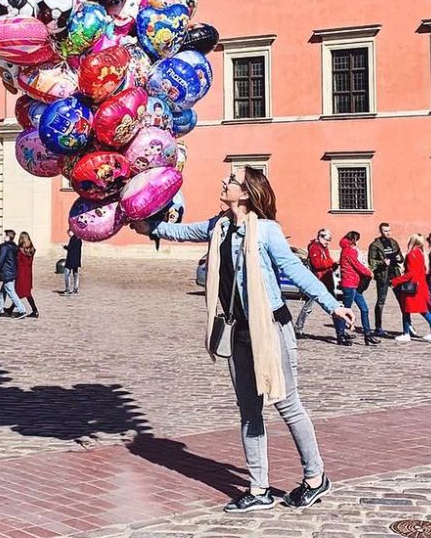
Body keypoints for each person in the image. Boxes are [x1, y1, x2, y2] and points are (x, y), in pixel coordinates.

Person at [133, 167, 353, 513]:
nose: (224, 182)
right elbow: (183, 231)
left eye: (231, 180)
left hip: (271, 328)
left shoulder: (266, 231)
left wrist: (333, 305)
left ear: (247, 193)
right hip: (239, 331)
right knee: (249, 411)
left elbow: (296, 272)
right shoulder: (218, 226)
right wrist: (151, 227)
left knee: (287, 404)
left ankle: (315, 477)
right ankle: (258, 488)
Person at [390, 234, 431, 343]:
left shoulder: (411, 254)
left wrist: (396, 281)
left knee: (406, 310)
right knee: (424, 311)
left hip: (412, 287)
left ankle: (407, 333)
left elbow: (410, 273)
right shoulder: (421, 253)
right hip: (421, 285)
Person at [337, 231, 377, 345]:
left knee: (364, 309)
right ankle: (340, 335)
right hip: (349, 285)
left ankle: (367, 335)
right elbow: (357, 265)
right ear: (354, 240)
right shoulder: (349, 251)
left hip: (354, 284)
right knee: (345, 311)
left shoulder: (348, 250)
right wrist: (369, 273)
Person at [295, 228, 337, 337]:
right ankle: (298, 328)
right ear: (320, 237)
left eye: (329, 240)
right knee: (308, 307)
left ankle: (340, 331)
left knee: (334, 305)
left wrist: (332, 265)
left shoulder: (324, 248)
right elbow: (317, 264)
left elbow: (327, 261)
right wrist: (331, 263)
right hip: (316, 281)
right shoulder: (315, 248)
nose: (328, 242)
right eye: (327, 239)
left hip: (325, 280)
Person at [368, 222, 403, 337]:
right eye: (385, 231)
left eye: (389, 230)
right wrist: (382, 262)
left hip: (395, 275)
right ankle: (378, 327)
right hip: (383, 276)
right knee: (381, 302)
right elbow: (371, 262)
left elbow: (401, 258)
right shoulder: (375, 245)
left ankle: (408, 327)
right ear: (380, 232)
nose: (388, 233)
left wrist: (399, 258)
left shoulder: (394, 242)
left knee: (402, 301)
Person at [0, 229, 26, 318]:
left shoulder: (5, 247)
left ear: (8, 237)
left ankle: (22, 310)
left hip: (7, 273)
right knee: (2, 292)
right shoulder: (14, 247)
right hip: (12, 272)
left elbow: (0, 261)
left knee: (11, 292)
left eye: (5, 235)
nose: (4, 237)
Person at [8, 231, 40, 317]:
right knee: (24, 292)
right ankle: (11, 309)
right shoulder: (31, 249)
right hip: (28, 272)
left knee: (21, 292)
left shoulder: (20, 250)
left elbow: (17, 261)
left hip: (21, 272)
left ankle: (30, 310)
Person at [63, 228, 82, 295]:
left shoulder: (73, 238)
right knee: (75, 274)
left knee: (66, 273)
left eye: (69, 233)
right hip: (76, 260)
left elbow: (70, 248)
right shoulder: (79, 239)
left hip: (71, 259)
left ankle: (67, 289)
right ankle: (75, 289)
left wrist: (64, 246)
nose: (69, 235)